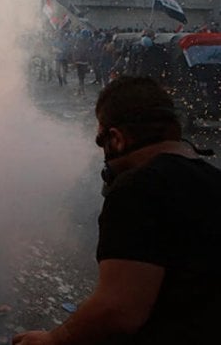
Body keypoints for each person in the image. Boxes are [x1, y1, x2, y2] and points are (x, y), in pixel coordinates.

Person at [13, 76, 221, 345]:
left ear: (116, 138)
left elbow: (118, 310)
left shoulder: (138, 188)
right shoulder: (213, 178)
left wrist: (55, 339)